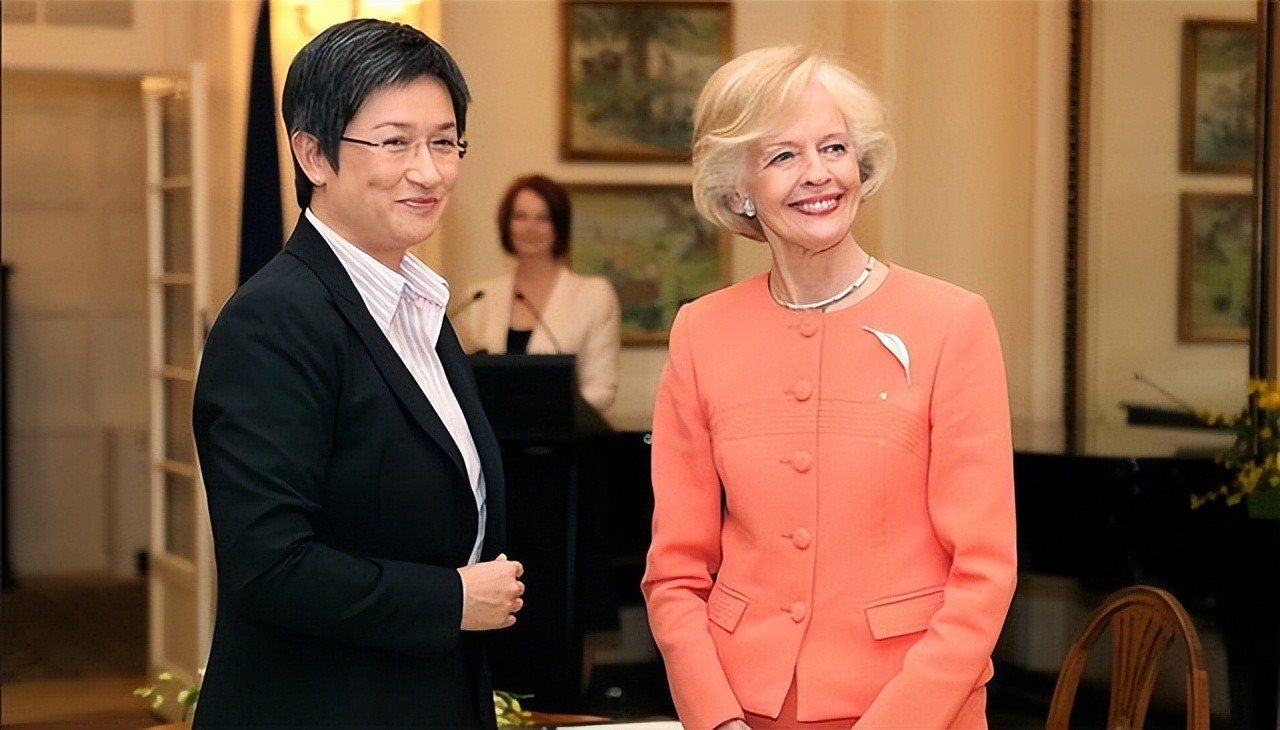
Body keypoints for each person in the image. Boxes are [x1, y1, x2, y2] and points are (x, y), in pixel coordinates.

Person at [641, 45, 1017, 729]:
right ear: (738, 188)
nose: (818, 173)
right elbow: (675, 573)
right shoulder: (701, 333)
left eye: (834, 147)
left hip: (918, 710)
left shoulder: (953, 323)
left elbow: (984, 574)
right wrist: (717, 718)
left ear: (861, 165)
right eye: (783, 155)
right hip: (745, 711)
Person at [191, 19, 523, 729]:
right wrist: (451, 600)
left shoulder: (419, 307)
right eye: (395, 142)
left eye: (444, 142)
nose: (428, 171)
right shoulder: (275, 319)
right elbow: (268, 566)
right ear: (313, 154)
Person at [456, 174, 621, 413]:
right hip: (490, 432)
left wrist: (550, 414)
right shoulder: (479, 297)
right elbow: (462, 380)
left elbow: (602, 388)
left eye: (543, 218)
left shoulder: (595, 295)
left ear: (559, 226)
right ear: (506, 224)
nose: (530, 227)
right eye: (520, 217)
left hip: (563, 432)